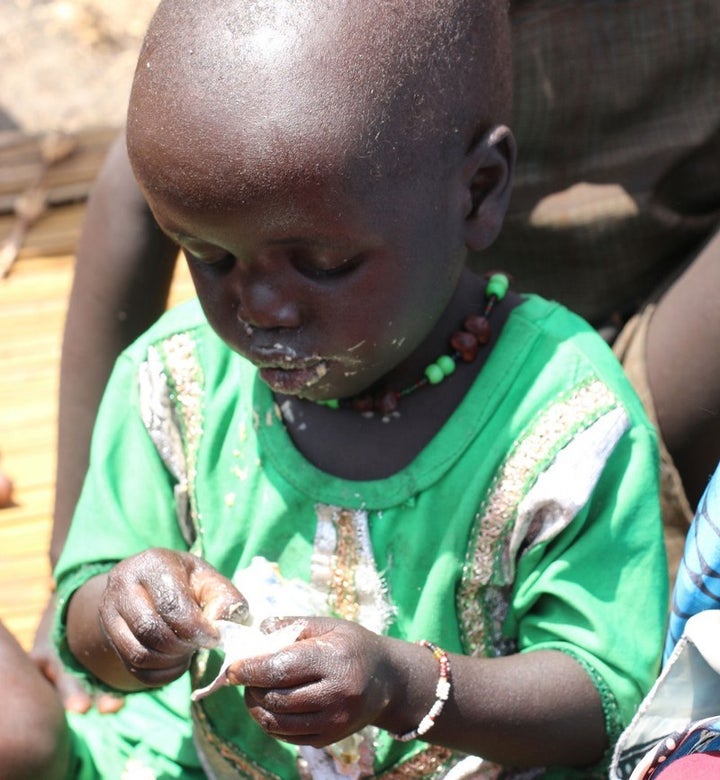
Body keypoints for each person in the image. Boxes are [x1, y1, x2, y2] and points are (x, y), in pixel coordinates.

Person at [0, 0, 668, 777]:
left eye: (321, 262)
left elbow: (602, 695)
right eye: (208, 256)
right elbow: (88, 631)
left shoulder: (564, 415)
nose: (260, 307)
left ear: (478, 192)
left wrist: (405, 685)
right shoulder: (174, 384)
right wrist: (122, 618)